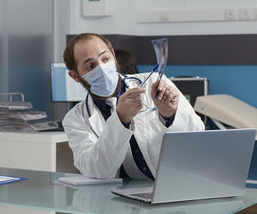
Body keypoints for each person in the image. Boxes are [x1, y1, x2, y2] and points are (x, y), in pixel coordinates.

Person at [62, 33, 204, 180]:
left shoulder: (153, 83)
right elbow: (99, 171)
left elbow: (197, 135)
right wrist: (120, 120)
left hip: (178, 182)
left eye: (105, 59)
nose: (102, 68)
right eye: (90, 65)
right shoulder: (75, 119)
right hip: (125, 196)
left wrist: (169, 114)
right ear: (75, 76)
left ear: (113, 55)